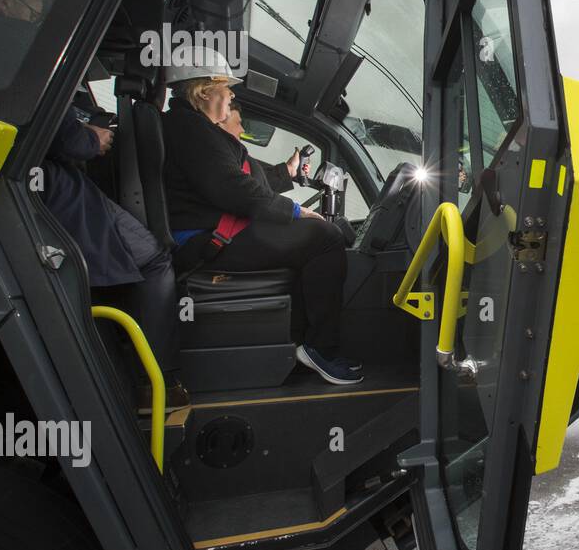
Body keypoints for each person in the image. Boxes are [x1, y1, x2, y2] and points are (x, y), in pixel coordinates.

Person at [161, 48, 362, 385]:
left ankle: (302, 341)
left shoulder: (193, 127)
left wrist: (286, 175)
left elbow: (242, 180)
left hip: (211, 230)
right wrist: (298, 212)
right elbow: (233, 189)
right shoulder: (188, 128)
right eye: (227, 87)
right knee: (325, 239)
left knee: (320, 235)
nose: (231, 95)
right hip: (204, 240)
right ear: (205, 90)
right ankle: (321, 348)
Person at [43, 104, 187, 410]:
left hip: (54, 188)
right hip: (56, 191)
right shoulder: (35, 70)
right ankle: (155, 381)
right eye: (228, 97)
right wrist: (92, 139)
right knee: (152, 260)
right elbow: (64, 137)